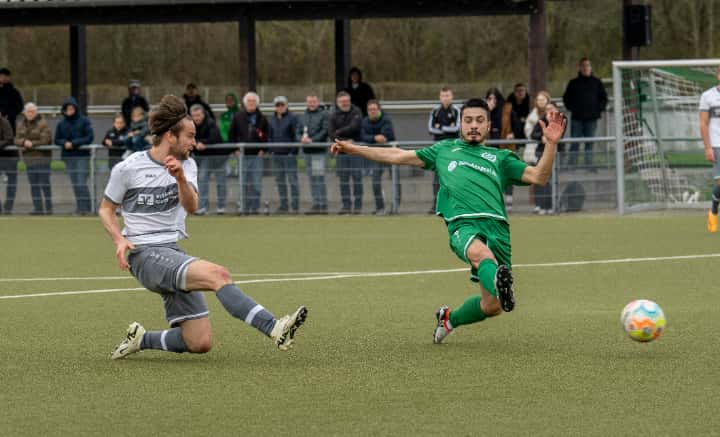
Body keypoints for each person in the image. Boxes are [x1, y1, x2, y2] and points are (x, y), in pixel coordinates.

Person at [331, 98, 565, 344]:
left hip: (498, 229)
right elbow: (397, 155)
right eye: (468, 120)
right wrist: (354, 148)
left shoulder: (501, 158)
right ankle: (498, 281)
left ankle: (449, 319)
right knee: (481, 255)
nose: (473, 125)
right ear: (460, 125)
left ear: (488, 127)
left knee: (492, 306)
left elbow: (539, 176)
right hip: (463, 225)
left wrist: (550, 143)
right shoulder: (443, 151)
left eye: (479, 120)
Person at [100, 95, 307, 360]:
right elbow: (106, 209)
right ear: (170, 136)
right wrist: (119, 239)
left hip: (171, 251)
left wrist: (179, 179)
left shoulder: (187, 165)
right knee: (218, 275)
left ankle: (142, 338)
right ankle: (274, 327)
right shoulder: (128, 168)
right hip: (144, 254)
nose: (194, 143)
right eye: (189, 136)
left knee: (198, 341)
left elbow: (192, 206)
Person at [562, 57, 608, 169]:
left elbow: (604, 99)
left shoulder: (597, 83)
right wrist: (573, 109)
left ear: (591, 67)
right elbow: (566, 98)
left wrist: (598, 110)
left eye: (588, 65)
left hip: (591, 119)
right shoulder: (573, 83)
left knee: (590, 143)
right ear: (579, 67)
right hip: (576, 118)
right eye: (583, 66)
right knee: (575, 143)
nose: (585, 68)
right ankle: (571, 165)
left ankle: (589, 165)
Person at [228, 92, 269, 214]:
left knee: (256, 183)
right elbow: (231, 135)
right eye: (249, 101)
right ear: (245, 103)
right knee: (243, 183)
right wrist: (235, 150)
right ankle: (244, 207)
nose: (251, 103)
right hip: (242, 156)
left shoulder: (262, 118)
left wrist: (263, 149)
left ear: (256, 103)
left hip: (257, 156)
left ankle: (255, 208)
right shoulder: (238, 117)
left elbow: (267, 136)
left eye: (253, 101)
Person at [54, 97, 94, 215]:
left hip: (82, 156)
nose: (69, 111)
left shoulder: (84, 121)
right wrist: (64, 143)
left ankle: (87, 208)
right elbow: (57, 139)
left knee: (81, 183)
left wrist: (74, 143)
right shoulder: (61, 124)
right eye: (67, 109)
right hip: (69, 157)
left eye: (72, 108)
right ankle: (80, 209)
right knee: (75, 184)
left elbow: (89, 137)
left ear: (75, 109)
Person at [328, 90, 363, 214]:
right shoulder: (333, 115)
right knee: (343, 180)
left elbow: (355, 127)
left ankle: (358, 207)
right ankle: (346, 206)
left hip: (356, 152)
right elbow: (332, 134)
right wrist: (345, 143)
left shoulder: (357, 111)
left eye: (347, 101)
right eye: (342, 101)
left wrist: (340, 132)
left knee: (357, 179)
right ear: (337, 103)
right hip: (341, 153)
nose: (345, 103)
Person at [191, 104, 229, 215]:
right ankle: (203, 207)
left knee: (221, 182)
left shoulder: (211, 123)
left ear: (203, 114)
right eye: (194, 116)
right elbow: (190, 138)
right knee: (202, 180)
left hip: (218, 157)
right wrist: (196, 143)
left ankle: (221, 207)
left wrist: (203, 143)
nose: (196, 118)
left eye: (198, 115)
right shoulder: (191, 125)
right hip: (205, 158)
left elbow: (214, 138)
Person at [15, 103, 53, 215]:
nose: (30, 113)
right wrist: (23, 142)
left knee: (45, 184)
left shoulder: (43, 124)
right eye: (28, 111)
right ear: (24, 113)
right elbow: (16, 139)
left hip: (43, 159)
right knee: (33, 185)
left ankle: (49, 208)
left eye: (32, 111)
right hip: (29, 160)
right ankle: (38, 209)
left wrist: (32, 143)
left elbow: (46, 139)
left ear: (36, 112)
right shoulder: (20, 124)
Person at [360, 100, 396, 215]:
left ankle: (395, 207)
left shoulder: (386, 119)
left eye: (374, 109)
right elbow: (363, 136)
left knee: (395, 181)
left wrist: (379, 137)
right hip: (377, 155)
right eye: (370, 110)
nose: (372, 112)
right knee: (375, 182)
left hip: (391, 154)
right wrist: (375, 138)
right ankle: (380, 207)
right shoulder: (365, 121)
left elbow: (388, 135)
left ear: (379, 109)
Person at [428, 86, 460, 214]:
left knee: (453, 176)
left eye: (447, 95)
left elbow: (457, 128)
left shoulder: (456, 111)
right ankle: (436, 204)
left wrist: (441, 127)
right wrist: (447, 128)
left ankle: (453, 204)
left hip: (453, 149)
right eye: (443, 96)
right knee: (437, 177)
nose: (445, 98)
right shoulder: (435, 111)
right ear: (439, 97)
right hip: (438, 150)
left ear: (452, 97)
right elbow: (430, 129)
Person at [531, 102, 566, 214]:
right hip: (542, 154)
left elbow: (562, 134)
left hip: (556, 154)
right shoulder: (541, 120)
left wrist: (552, 137)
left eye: (551, 108)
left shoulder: (561, 119)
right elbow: (533, 134)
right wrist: (541, 137)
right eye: (547, 109)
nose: (549, 111)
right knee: (541, 179)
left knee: (552, 181)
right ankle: (541, 205)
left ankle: (553, 206)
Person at [297, 94, 329, 214]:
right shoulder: (303, 116)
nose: (312, 104)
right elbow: (298, 131)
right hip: (307, 153)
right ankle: (316, 203)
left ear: (318, 102)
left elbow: (325, 131)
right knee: (311, 179)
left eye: (314, 102)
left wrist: (313, 140)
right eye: (309, 102)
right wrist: (301, 139)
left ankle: (322, 204)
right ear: (307, 103)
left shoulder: (324, 114)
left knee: (319, 178)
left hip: (318, 152)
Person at [269, 96, 300, 214]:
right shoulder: (272, 119)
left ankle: (295, 206)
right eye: (278, 105)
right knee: (280, 182)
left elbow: (295, 136)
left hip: (289, 155)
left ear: (286, 105)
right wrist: (271, 149)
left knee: (293, 181)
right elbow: (270, 136)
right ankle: (284, 205)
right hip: (277, 156)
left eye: (282, 105)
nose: (280, 107)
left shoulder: (293, 118)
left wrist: (293, 152)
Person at [702, 66, 720, 233]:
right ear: (718, 75)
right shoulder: (707, 96)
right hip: (716, 145)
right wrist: (707, 147)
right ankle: (714, 208)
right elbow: (703, 123)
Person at [0, 113, 16, 214]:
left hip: (8, 158)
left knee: (11, 184)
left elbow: (9, 138)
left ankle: (8, 207)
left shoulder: (4, 122)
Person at [0, 68, 24, 134]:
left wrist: (9, 115)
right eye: (1, 76)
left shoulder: (14, 92)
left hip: (9, 122)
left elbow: (20, 106)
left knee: (9, 140)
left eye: (5, 76)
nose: (3, 78)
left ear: (8, 78)